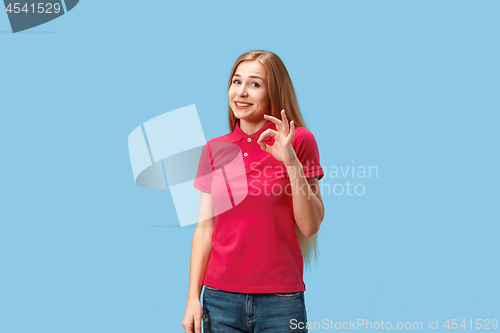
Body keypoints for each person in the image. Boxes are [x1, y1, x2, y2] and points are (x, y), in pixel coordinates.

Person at [181, 50, 325, 333]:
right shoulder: (215, 149)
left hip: (281, 301)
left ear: (274, 91)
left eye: (255, 84)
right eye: (236, 82)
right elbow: (205, 228)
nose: (241, 92)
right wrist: (192, 299)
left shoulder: (300, 141)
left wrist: (290, 161)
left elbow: (309, 226)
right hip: (219, 300)